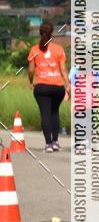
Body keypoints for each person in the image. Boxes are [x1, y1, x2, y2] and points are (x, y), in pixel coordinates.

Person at [27, 21, 70, 153]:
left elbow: (30, 70)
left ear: (40, 33)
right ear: (52, 33)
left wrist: (30, 82)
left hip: (42, 87)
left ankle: (48, 144)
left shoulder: (34, 49)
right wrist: (67, 85)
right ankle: (56, 142)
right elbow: (63, 70)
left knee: (45, 114)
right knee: (54, 113)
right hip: (58, 87)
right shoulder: (59, 49)